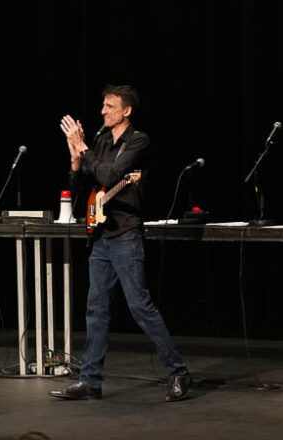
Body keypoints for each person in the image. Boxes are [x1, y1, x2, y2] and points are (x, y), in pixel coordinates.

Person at [49, 85, 192, 402]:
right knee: (96, 309)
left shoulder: (139, 140)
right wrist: (75, 159)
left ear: (126, 111)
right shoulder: (100, 141)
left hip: (126, 234)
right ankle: (90, 380)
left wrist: (83, 148)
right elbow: (83, 185)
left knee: (140, 306)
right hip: (101, 235)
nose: (103, 111)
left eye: (110, 106)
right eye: (103, 105)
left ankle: (179, 371)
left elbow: (110, 176)